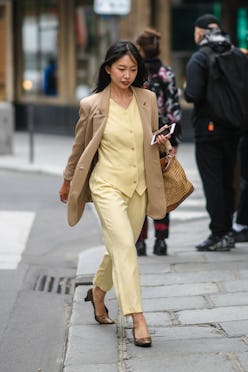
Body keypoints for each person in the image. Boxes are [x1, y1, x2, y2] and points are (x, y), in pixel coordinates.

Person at [59, 40, 172, 347]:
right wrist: (68, 180)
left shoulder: (147, 98)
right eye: (121, 68)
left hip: (139, 185)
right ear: (108, 68)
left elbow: (149, 138)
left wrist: (161, 141)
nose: (127, 74)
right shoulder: (92, 104)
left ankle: (97, 291)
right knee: (125, 247)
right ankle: (137, 317)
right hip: (106, 185)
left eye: (133, 69)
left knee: (120, 246)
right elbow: (79, 148)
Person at [184, 14, 240, 251]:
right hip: (234, 128)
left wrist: (186, 89)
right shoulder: (236, 54)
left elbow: (193, 95)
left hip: (208, 129)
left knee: (213, 182)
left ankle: (219, 233)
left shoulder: (199, 58)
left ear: (200, 33)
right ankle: (228, 230)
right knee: (228, 180)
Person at [135, 28, 181, 256]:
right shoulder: (167, 73)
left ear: (140, 49)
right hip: (164, 139)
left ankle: (140, 241)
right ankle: (161, 241)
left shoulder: (137, 74)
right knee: (162, 190)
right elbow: (174, 111)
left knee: (140, 190)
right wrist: (173, 142)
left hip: (140, 140)